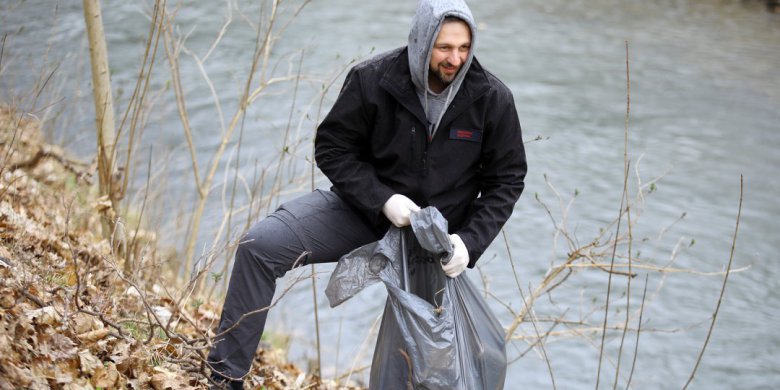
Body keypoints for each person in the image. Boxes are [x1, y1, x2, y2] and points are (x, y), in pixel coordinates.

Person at [208, 0, 526, 388]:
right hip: (365, 212)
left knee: (442, 357)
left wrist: (469, 243)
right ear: (421, 40)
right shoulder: (372, 79)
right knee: (259, 246)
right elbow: (332, 148)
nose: (455, 59)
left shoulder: (492, 98)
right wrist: (383, 201)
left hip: (436, 243)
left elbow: (506, 180)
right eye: (444, 48)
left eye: (464, 48)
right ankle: (225, 379)